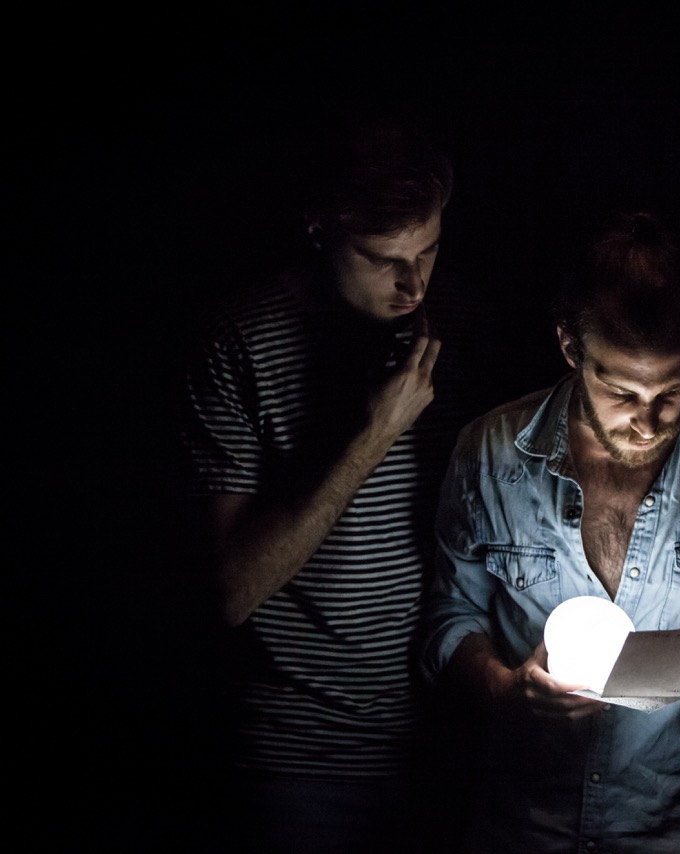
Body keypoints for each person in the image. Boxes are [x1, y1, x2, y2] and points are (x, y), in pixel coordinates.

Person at [420, 210, 680, 853]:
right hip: (525, 827)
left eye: (670, 391)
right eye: (619, 391)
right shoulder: (489, 453)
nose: (646, 422)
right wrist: (503, 689)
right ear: (569, 346)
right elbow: (451, 611)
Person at [178, 106, 489, 853]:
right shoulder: (239, 341)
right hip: (299, 760)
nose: (414, 282)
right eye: (383, 258)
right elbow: (231, 591)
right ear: (320, 230)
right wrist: (374, 434)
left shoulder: (463, 328)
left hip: (446, 751)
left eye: (430, 250)